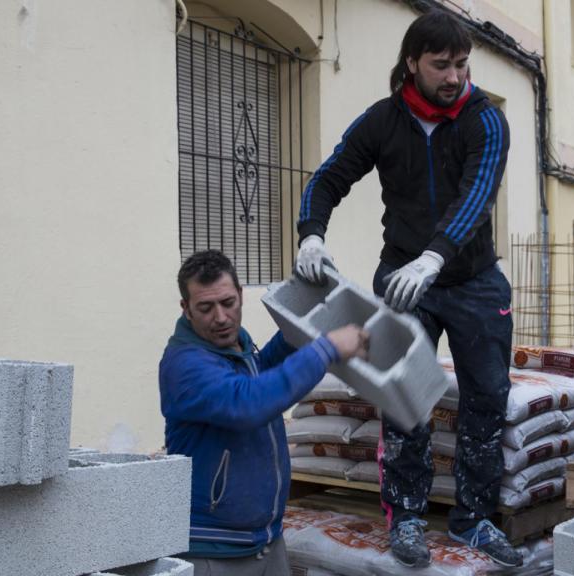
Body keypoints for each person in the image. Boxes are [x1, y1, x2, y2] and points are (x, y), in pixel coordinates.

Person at [294, 10, 521, 569]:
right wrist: (311, 235)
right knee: (403, 398)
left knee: (486, 400)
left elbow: (475, 197)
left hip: (471, 278)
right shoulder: (382, 121)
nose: (454, 76)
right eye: (441, 65)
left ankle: (474, 520)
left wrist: (434, 258)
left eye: (462, 64)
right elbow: (329, 177)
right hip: (402, 280)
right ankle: (408, 516)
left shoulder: (486, 120)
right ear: (412, 63)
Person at [159, 250, 369, 576]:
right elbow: (249, 403)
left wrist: (302, 318)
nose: (221, 317)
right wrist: (326, 349)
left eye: (228, 303)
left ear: (241, 295)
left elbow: (263, 372)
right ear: (186, 309)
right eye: (205, 307)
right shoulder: (185, 365)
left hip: (266, 541)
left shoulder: (234, 346)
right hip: (214, 551)